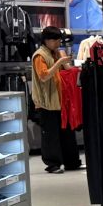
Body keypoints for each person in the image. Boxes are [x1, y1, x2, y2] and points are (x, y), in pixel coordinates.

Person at [29, 26, 80, 174]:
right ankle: (52, 164)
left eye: (59, 40)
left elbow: (68, 70)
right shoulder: (40, 56)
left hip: (60, 100)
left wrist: (63, 59)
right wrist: (59, 62)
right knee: (51, 135)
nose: (58, 43)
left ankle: (72, 162)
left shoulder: (55, 53)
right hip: (46, 102)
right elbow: (44, 76)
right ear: (47, 40)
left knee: (67, 132)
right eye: (55, 40)